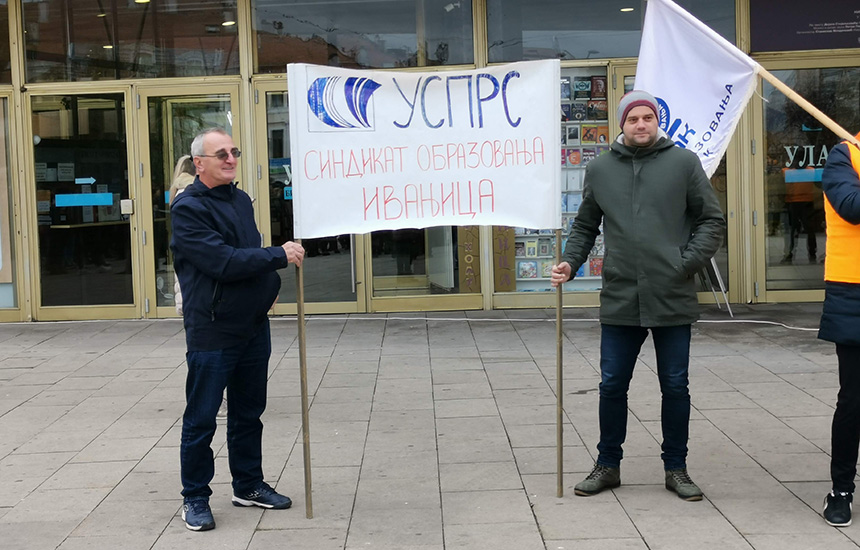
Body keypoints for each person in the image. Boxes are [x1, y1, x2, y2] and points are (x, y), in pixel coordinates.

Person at [550, 91, 725, 501]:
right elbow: (585, 227)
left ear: (657, 122)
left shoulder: (683, 163)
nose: (641, 124)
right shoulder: (600, 168)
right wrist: (569, 264)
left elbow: (711, 219)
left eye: (648, 117)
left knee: (675, 385)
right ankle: (607, 465)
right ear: (622, 124)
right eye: (633, 119)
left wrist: (684, 264)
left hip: (672, 294)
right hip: (621, 295)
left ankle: (676, 469)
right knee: (612, 385)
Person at [171, 128, 305, 531]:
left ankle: (248, 484)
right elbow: (224, 262)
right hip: (213, 330)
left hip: (251, 326)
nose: (230, 159)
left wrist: (267, 284)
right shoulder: (188, 208)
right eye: (221, 154)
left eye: (234, 151)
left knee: (249, 413)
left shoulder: (241, 199)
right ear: (199, 163)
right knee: (202, 418)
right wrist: (277, 256)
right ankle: (194, 497)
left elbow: (248, 252)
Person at [818, 132, 860, 528]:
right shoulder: (844, 154)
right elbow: (851, 206)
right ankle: (841, 490)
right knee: (854, 400)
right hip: (855, 294)